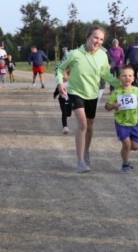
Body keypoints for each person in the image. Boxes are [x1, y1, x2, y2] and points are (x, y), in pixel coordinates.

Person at [55, 26, 121, 173]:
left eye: (101, 39)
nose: (98, 41)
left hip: (93, 94)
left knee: (90, 126)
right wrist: (60, 83)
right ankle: (80, 162)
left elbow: (106, 74)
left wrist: (120, 84)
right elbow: (59, 68)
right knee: (83, 124)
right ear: (88, 37)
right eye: (96, 37)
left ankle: (86, 151)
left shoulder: (103, 56)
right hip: (76, 93)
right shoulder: (74, 54)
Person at [53, 70, 72, 134]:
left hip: (69, 100)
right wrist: (55, 95)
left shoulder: (71, 83)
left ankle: (67, 114)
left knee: (68, 113)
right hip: (62, 100)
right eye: (61, 76)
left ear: (68, 76)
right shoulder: (60, 84)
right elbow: (57, 90)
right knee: (64, 112)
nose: (62, 77)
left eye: (64, 75)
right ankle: (65, 127)